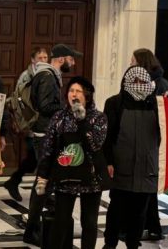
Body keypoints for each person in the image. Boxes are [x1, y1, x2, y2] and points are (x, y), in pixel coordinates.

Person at [36, 77, 107, 249]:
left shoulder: (98, 117)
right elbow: (49, 148)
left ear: (87, 95)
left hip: (91, 177)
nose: (73, 94)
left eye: (78, 91)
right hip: (65, 176)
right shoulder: (59, 117)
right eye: (71, 91)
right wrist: (43, 176)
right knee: (60, 221)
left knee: (89, 222)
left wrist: (82, 121)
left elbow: (95, 145)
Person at [22, 43, 81, 246]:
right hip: (44, 135)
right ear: (62, 59)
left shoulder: (49, 75)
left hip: (45, 133)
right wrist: (67, 107)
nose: (73, 63)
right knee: (44, 183)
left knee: (43, 182)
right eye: (71, 59)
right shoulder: (47, 76)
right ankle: (31, 230)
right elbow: (45, 106)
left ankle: (32, 228)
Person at [102, 65, 161, 249]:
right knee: (116, 210)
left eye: (142, 81)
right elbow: (107, 136)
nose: (138, 85)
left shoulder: (157, 106)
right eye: (134, 81)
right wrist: (109, 161)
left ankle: (133, 244)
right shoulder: (114, 103)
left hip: (147, 169)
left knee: (139, 213)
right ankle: (110, 244)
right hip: (122, 168)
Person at [131, 48, 168, 242]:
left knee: (147, 188)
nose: (130, 65)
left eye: (133, 62)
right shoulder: (142, 82)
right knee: (146, 188)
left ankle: (145, 227)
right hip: (143, 141)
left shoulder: (159, 85)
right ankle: (152, 226)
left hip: (152, 142)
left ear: (142, 63)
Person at [4, 46, 50, 200]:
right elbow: (21, 100)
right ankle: (42, 195)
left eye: (45, 58)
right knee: (37, 159)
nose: (43, 60)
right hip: (32, 123)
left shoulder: (47, 73)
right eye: (40, 58)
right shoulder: (27, 76)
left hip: (41, 124)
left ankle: (14, 181)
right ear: (33, 60)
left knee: (34, 159)